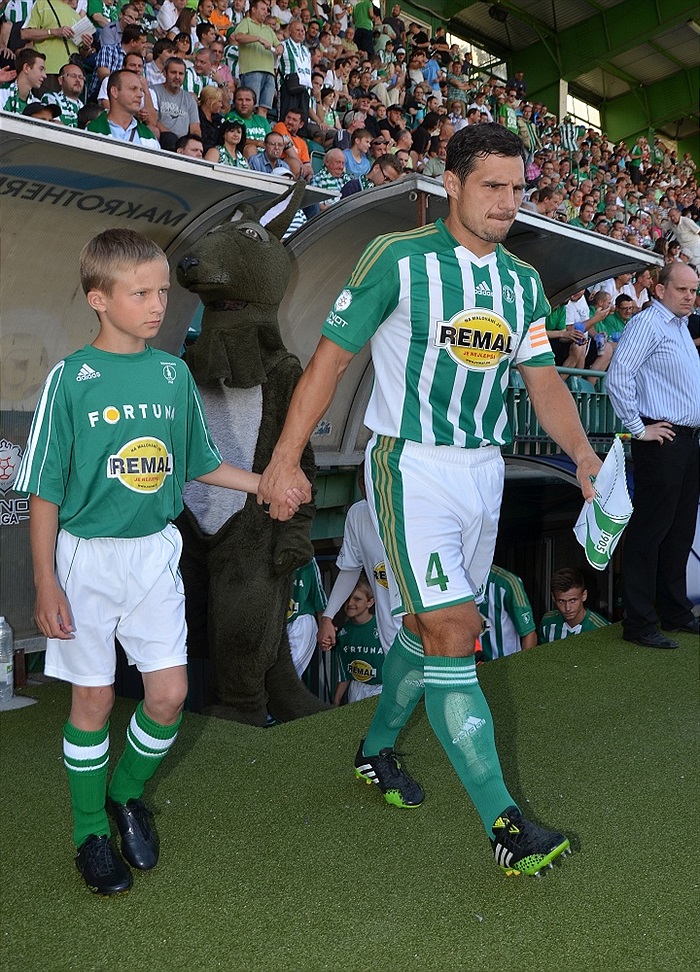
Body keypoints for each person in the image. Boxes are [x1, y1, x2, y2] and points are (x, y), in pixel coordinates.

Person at [258, 123, 603, 877]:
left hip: (484, 474)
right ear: (450, 183)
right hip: (409, 466)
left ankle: (376, 750)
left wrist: (583, 456)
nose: (509, 202)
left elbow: (543, 382)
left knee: (423, 623)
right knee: (455, 628)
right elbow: (328, 362)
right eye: (493, 187)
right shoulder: (397, 259)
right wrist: (285, 460)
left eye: (518, 188)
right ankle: (506, 826)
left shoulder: (519, 282)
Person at [14, 228, 301, 896]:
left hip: (154, 557)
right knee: (94, 699)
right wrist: (46, 579)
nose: (155, 304)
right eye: (140, 293)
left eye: (162, 291)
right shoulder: (71, 379)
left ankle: (125, 793)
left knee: (168, 697)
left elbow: (199, 462)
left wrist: (263, 483)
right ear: (98, 298)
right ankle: (90, 833)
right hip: (87, 562)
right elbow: (44, 488)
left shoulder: (173, 373)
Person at [607, 262, 700, 649]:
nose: (690, 297)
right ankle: (639, 622)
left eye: (694, 291)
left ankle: (675, 611)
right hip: (661, 440)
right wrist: (638, 428)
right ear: (660, 290)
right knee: (650, 532)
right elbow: (619, 375)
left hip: (687, 442)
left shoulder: (680, 328)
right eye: (682, 290)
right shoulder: (647, 324)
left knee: (679, 533)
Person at [332, 577, 384, 706]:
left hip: (382, 688)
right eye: (348, 598)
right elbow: (344, 673)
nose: (350, 603)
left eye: (357, 599)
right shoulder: (343, 632)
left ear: (370, 602)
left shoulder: (383, 626)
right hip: (356, 688)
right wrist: (336, 701)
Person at [87, 69, 160, 149]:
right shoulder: (91, 131)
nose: (140, 95)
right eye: (133, 88)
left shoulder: (150, 137)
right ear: (114, 92)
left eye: (141, 90)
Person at [233, 0, 282, 118]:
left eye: (267, 9)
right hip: (251, 71)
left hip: (269, 73)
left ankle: (260, 133)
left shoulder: (269, 29)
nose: (266, 12)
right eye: (263, 9)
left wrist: (280, 48)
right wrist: (258, 39)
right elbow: (238, 36)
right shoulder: (247, 22)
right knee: (250, 106)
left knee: (264, 107)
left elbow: (278, 44)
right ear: (253, 9)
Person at [479, 566, 537, 661]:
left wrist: (522, 670)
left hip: (505, 668)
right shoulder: (455, 580)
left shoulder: (507, 582)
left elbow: (529, 634)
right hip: (468, 668)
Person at [539, 569, 609, 642]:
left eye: (573, 600)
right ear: (553, 597)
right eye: (562, 601)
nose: (567, 608)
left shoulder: (601, 628)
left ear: (584, 596)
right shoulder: (547, 622)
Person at [286, 559, 327, 678]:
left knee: (285, 677)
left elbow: (319, 598)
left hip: (299, 621)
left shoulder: (307, 559)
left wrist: (325, 625)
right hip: (269, 625)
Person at [151, 56, 200, 152]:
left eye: (181, 74)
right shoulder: (154, 91)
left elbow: (195, 128)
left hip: (183, 144)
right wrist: (172, 137)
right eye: (173, 72)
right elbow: (153, 120)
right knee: (170, 139)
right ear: (164, 73)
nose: (177, 77)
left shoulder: (189, 99)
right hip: (163, 138)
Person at [0, 47, 44, 113]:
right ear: (26, 68)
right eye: (41, 69)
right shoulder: (2, 95)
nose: (44, 75)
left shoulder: (37, 105)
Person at [41, 60, 85, 127]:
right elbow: (55, 126)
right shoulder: (51, 98)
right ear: (60, 80)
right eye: (73, 76)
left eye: (81, 77)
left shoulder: (83, 107)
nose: (78, 80)